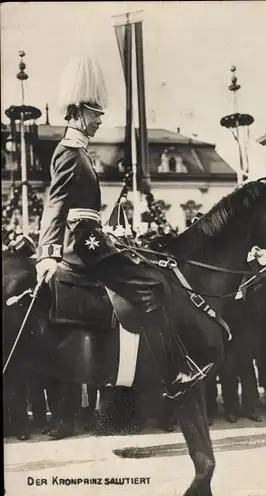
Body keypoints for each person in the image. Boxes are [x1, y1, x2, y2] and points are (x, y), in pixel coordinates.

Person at [36, 54, 210, 402]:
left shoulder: (81, 152)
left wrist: (109, 234)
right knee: (151, 285)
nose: (100, 120)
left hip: (92, 239)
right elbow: (55, 205)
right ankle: (174, 371)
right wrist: (48, 253)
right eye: (96, 114)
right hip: (82, 246)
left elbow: (83, 211)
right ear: (80, 111)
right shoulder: (70, 152)